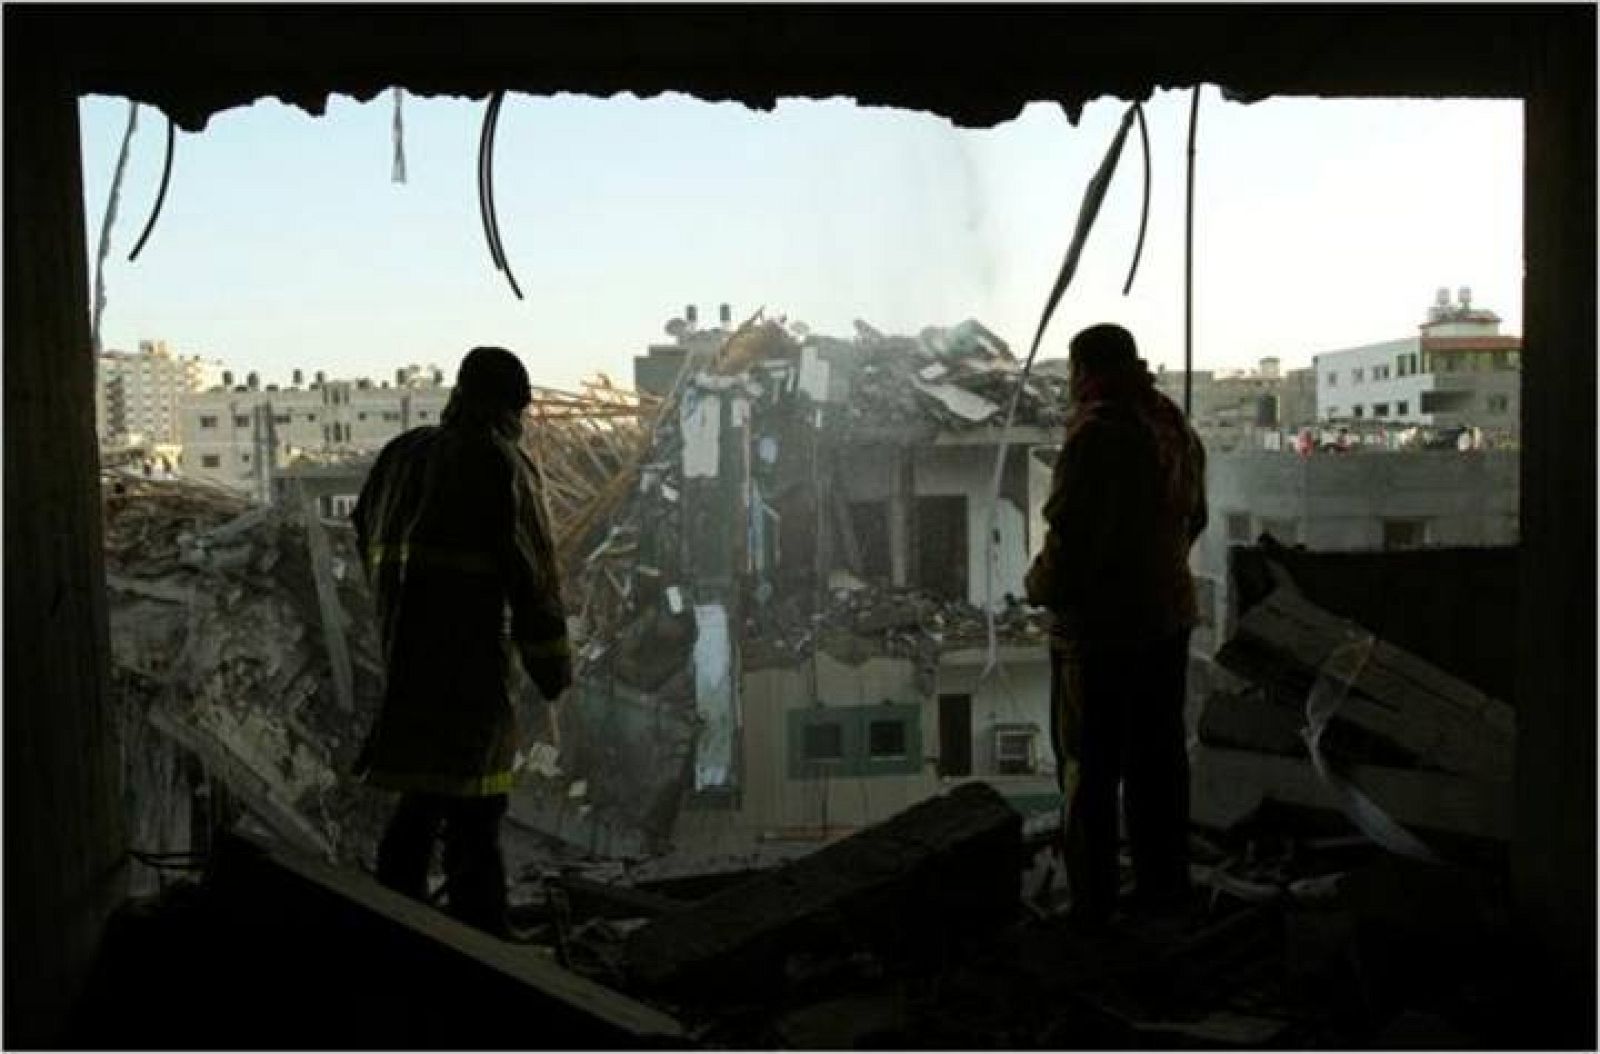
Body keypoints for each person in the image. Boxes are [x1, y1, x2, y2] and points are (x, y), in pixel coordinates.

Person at [352, 346, 572, 937]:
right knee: (478, 809)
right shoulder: (498, 462)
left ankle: (396, 926)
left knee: (420, 800)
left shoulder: (401, 456)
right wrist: (553, 666)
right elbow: (533, 574)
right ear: (507, 409)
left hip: (405, 658)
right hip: (470, 665)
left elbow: (361, 533)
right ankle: (485, 940)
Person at [1025, 323, 1208, 929]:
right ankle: (1164, 890)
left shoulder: (1097, 435)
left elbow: (1071, 545)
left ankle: (1092, 908)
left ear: (1083, 371)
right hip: (1167, 619)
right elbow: (1196, 517)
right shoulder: (1171, 424)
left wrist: (1038, 587)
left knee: (1089, 772)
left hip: (1100, 635)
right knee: (1159, 765)